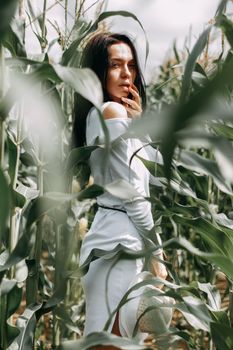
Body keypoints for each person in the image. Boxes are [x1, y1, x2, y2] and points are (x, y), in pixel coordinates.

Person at [72, 32, 172, 349]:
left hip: (117, 243)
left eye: (130, 65)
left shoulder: (108, 115)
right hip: (118, 245)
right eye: (115, 65)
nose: (127, 73)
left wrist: (140, 124)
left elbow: (152, 173)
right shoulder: (110, 114)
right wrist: (156, 251)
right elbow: (134, 195)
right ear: (98, 73)